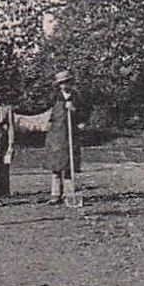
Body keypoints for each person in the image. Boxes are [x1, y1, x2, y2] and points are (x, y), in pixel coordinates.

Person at [47, 70, 89, 204]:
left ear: (70, 83)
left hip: (71, 134)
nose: (64, 86)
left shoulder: (77, 97)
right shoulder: (54, 97)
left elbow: (85, 113)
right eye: (61, 83)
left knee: (69, 164)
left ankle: (69, 193)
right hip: (56, 134)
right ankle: (55, 194)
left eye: (66, 82)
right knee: (57, 164)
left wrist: (76, 112)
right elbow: (47, 113)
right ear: (58, 85)